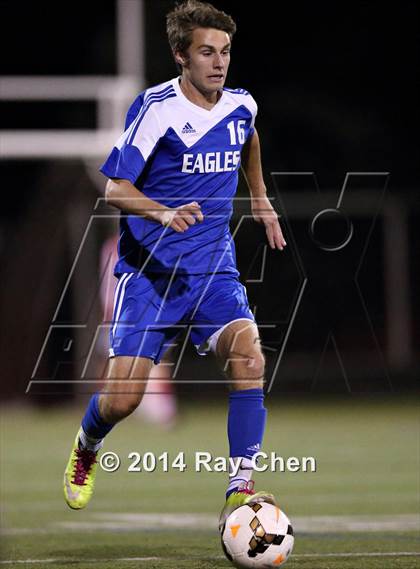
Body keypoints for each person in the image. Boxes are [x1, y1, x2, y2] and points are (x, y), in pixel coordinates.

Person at [63, 0, 287, 533]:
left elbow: (249, 138)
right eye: (207, 51)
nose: (219, 62)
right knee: (122, 400)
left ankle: (240, 491)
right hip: (150, 275)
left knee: (250, 359)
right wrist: (162, 211)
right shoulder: (155, 108)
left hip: (213, 270)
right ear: (180, 56)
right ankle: (87, 444)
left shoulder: (241, 106)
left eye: (225, 51)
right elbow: (116, 186)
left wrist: (259, 196)